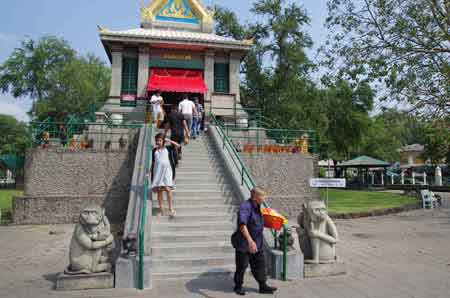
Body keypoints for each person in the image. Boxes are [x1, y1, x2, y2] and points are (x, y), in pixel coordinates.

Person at [232, 187, 277, 295]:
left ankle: (263, 286)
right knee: (242, 266)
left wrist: (271, 217)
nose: (264, 198)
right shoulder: (245, 207)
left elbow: (257, 222)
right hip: (244, 243)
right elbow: (242, 225)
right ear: (255, 196)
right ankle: (238, 286)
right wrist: (250, 241)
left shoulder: (258, 206)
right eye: (262, 196)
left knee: (260, 264)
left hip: (257, 242)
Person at [150, 133, 180, 217]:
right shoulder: (154, 151)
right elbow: (153, 163)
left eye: (159, 140)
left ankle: (171, 208)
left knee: (168, 189)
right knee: (159, 191)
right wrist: (149, 173)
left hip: (167, 173)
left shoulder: (168, 148)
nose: (158, 142)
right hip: (158, 173)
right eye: (157, 140)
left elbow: (178, 146)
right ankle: (161, 209)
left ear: (163, 141)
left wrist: (168, 140)